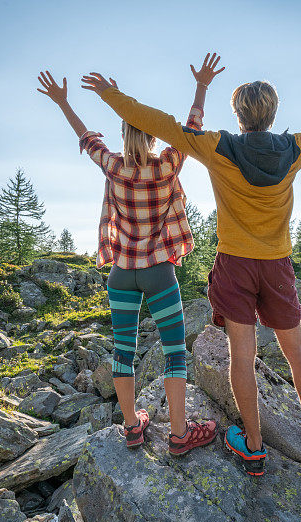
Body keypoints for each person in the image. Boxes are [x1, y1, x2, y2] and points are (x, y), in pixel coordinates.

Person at [81, 68, 301, 475]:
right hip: (277, 264)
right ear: (272, 113)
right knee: (298, 353)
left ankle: (254, 447)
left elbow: (157, 123)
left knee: (241, 357)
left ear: (239, 115)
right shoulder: (296, 148)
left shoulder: (218, 147)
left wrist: (109, 96)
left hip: (235, 265)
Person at [37, 53, 226, 455]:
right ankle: (179, 435)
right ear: (154, 138)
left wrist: (62, 102)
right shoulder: (167, 166)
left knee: (123, 350)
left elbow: (86, 136)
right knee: (174, 352)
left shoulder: (113, 167)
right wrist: (202, 85)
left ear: (123, 137)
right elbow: (192, 128)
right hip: (159, 271)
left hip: (121, 273)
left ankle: (132, 428)